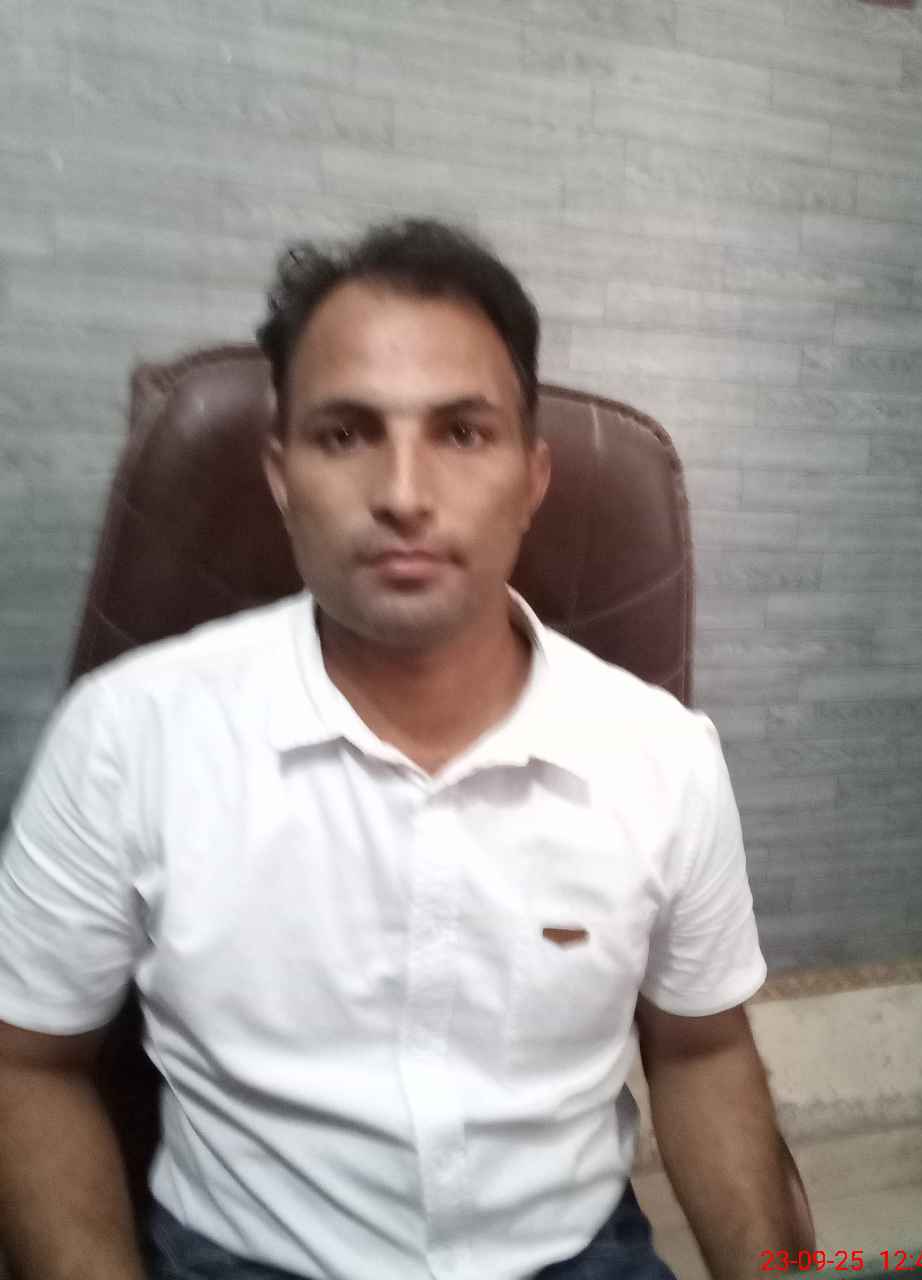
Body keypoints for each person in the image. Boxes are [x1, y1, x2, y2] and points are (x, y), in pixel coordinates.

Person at [0, 218, 812, 1280]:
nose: (403, 494)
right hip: (246, 1256)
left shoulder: (663, 756)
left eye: (463, 433)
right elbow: (25, 1061)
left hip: (573, 1254)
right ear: (281, 473)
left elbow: (702, 1050)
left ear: (532, 476)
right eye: (345, 434)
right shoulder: (128, 734)